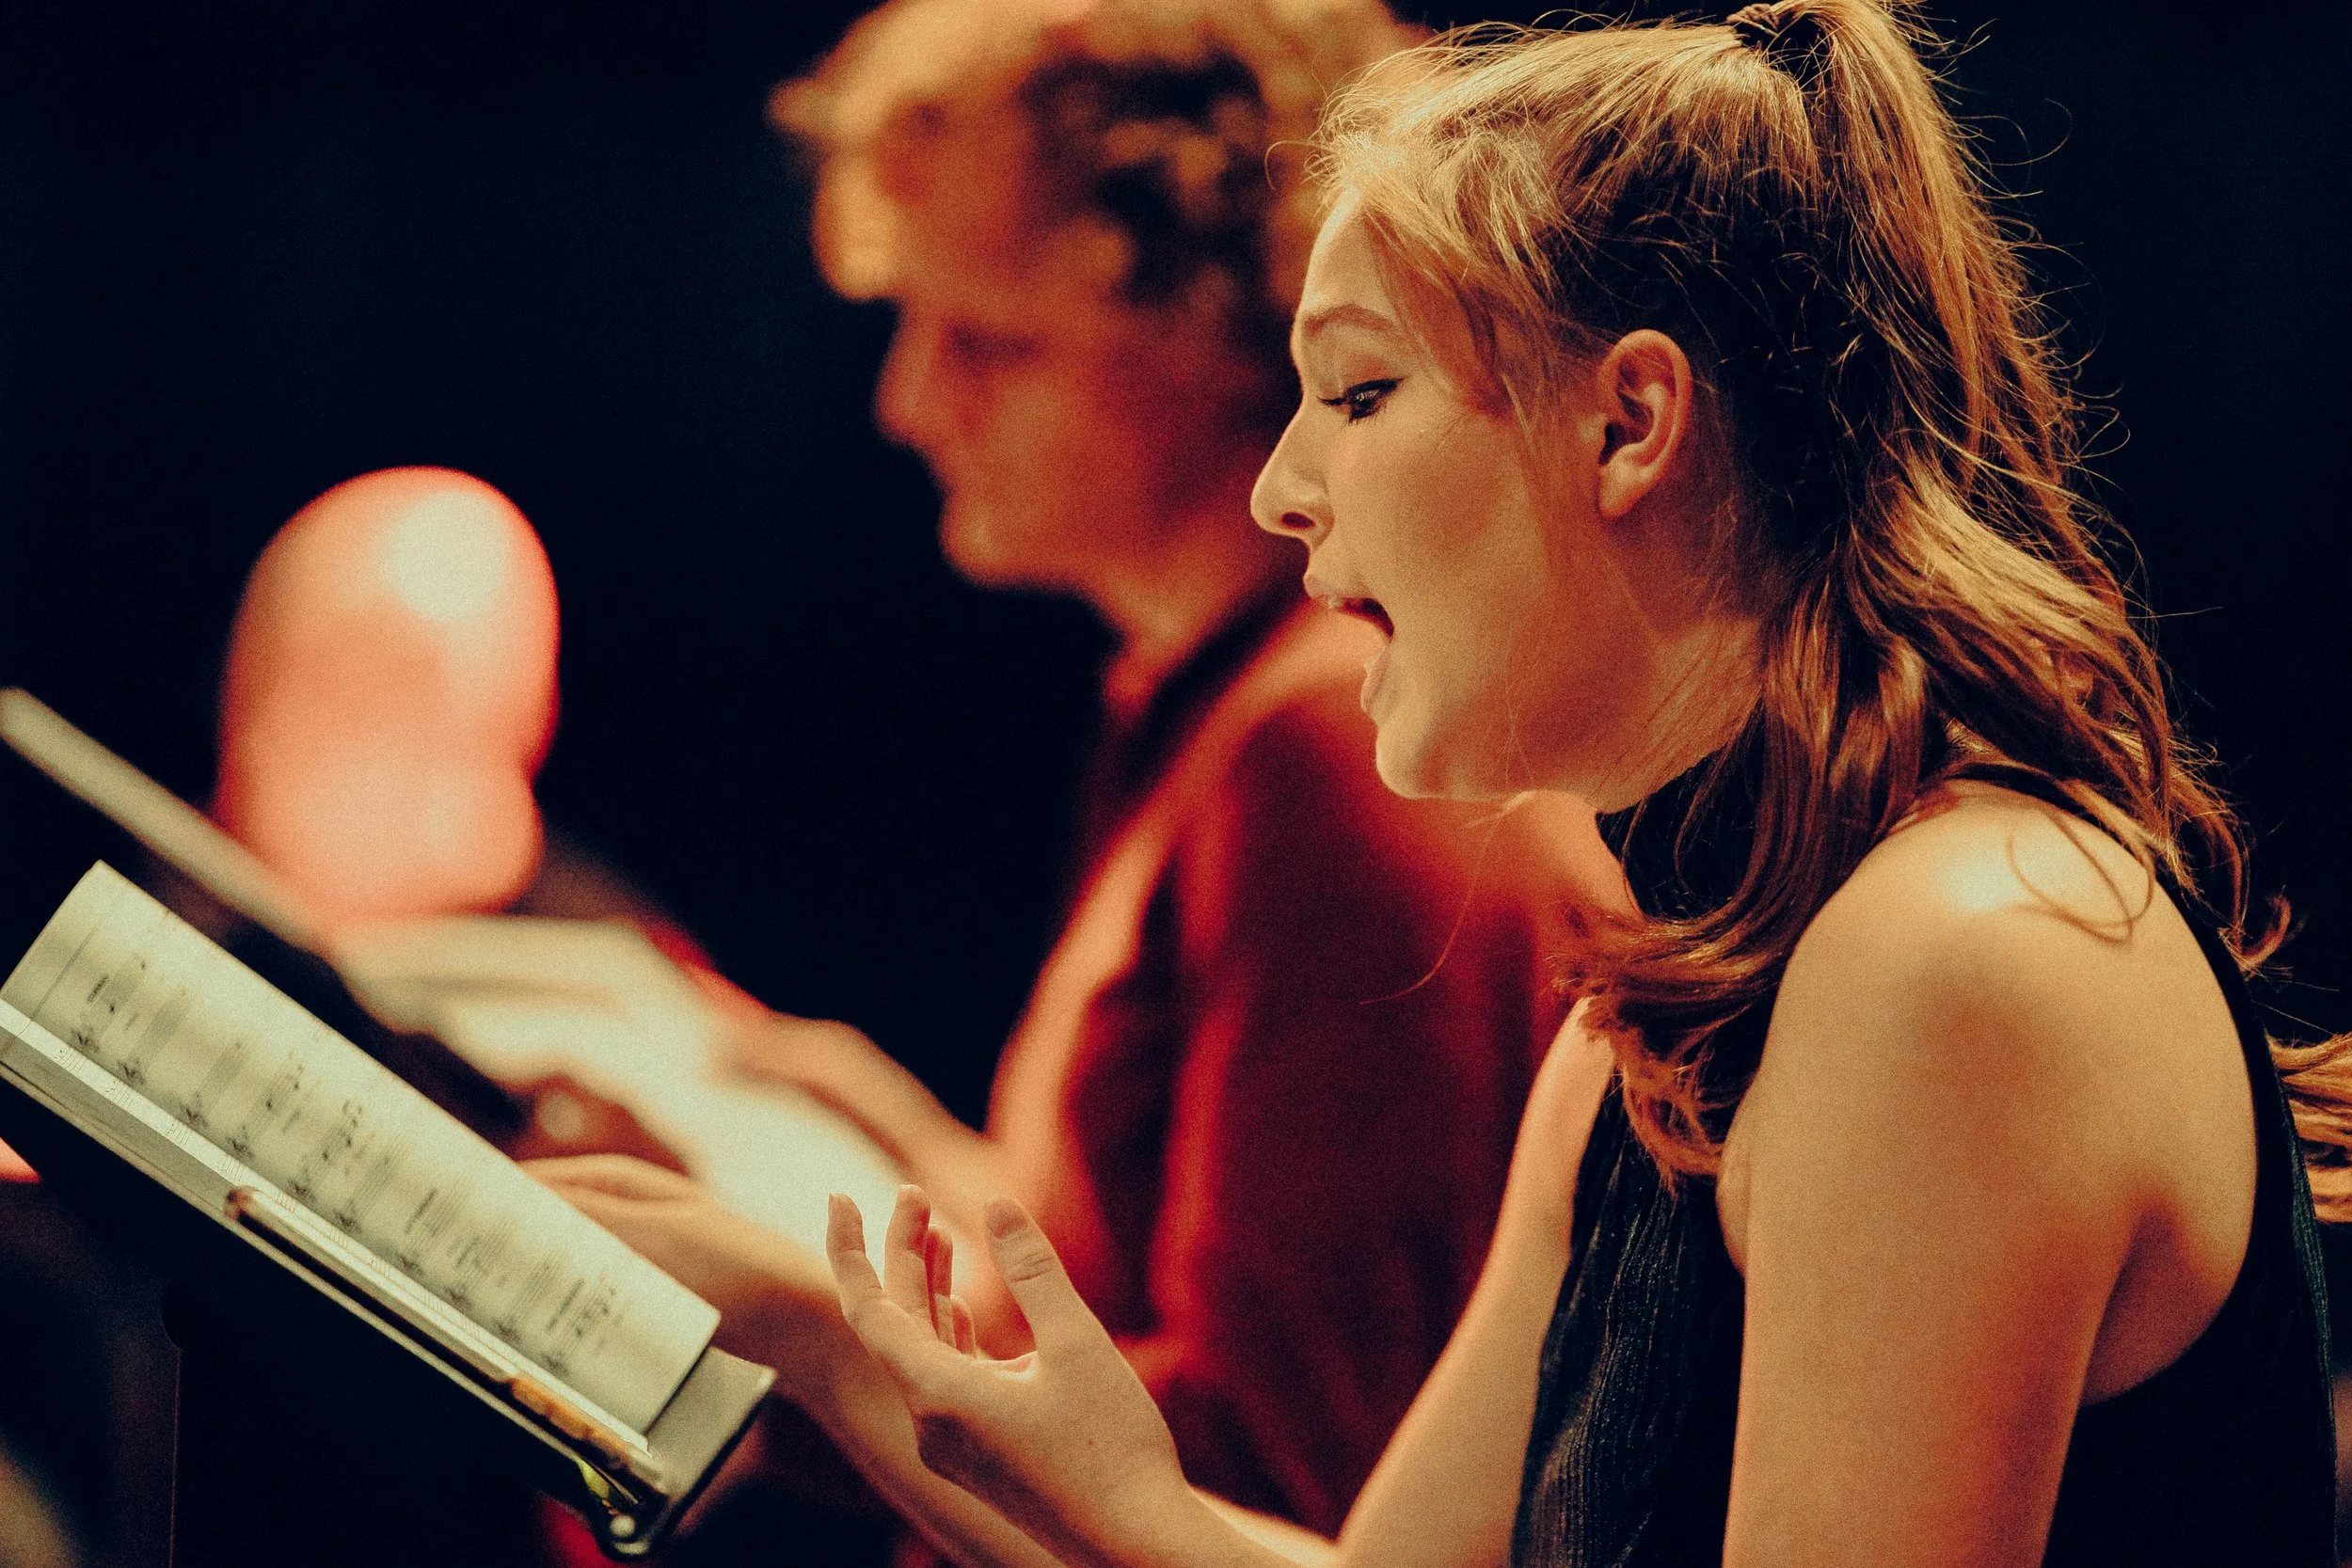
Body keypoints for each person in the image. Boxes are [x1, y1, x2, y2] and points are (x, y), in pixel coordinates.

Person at [563, 3, 2350, 1564]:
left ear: (1630, 423)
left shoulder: (1949, 955)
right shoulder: (1654, 1033)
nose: (1281, 487)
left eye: (1356, 391)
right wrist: (842, 1352)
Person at [486, 0, 1618, 1552]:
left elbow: (1277, 1482)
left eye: (989, 343)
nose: (905, 403)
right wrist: (919, 1165)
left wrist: (809, 1337)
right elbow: (1141, 1296)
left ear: (1226, 330)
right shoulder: (1211, 713)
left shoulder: (1335, 753)